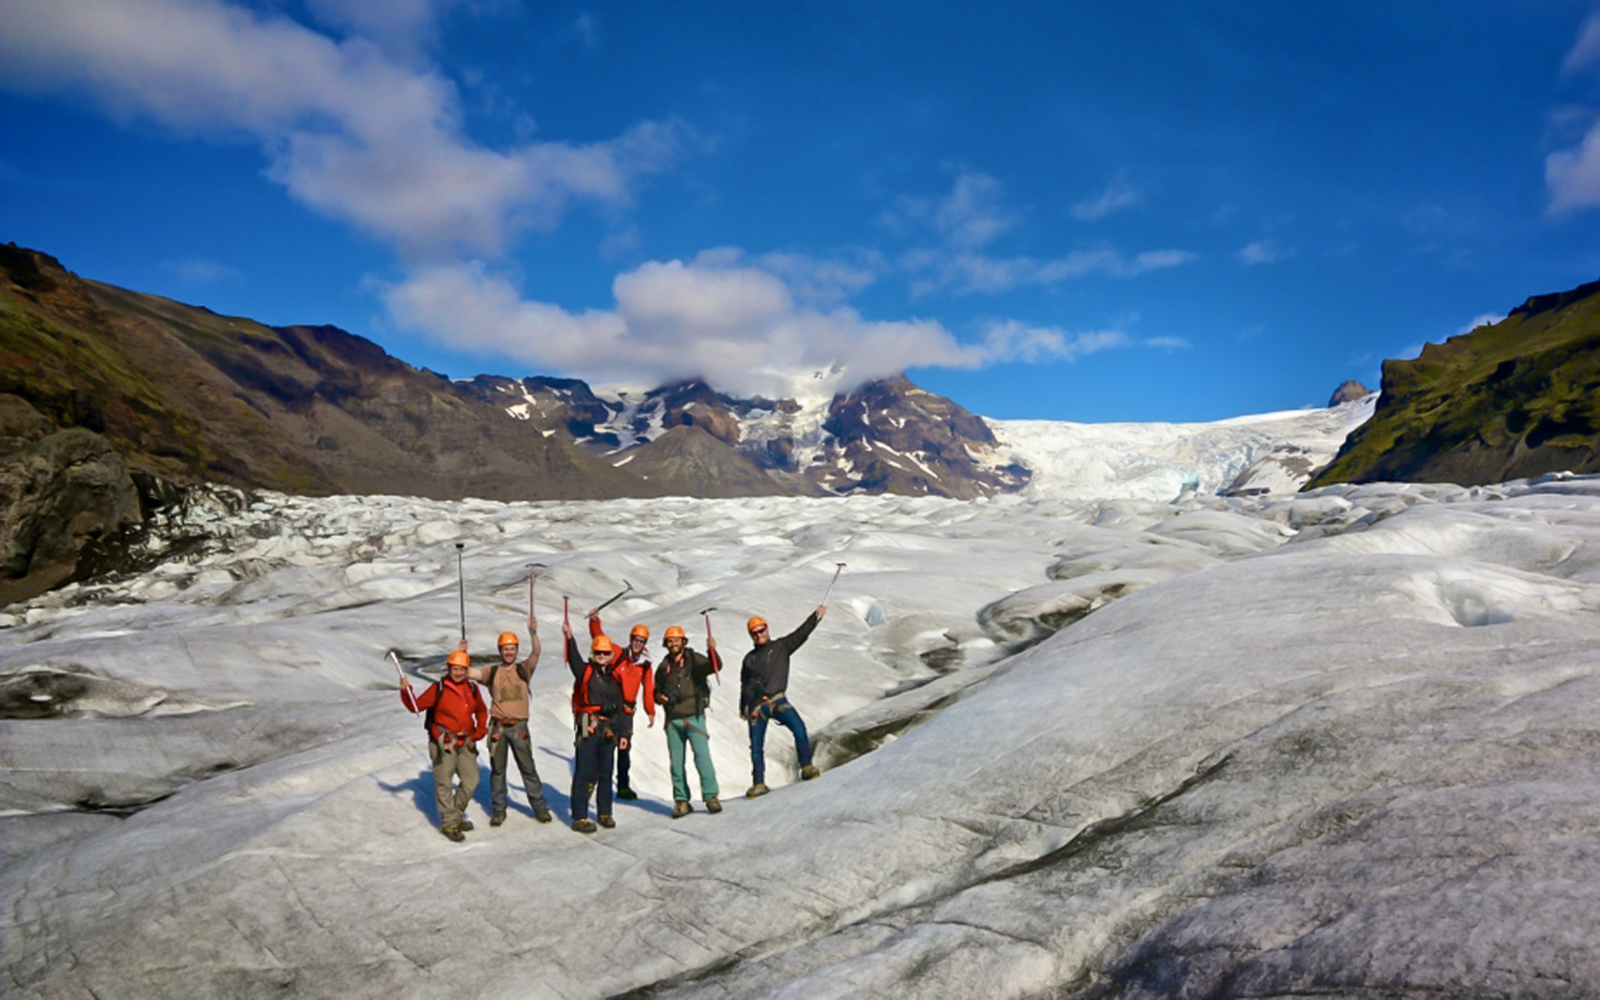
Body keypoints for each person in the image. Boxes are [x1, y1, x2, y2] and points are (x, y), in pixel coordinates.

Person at [466, 619, 551, 826]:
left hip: (519, 727)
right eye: (505, 649)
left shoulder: (524, 669)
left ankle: (539, 807)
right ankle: (498, 810)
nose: (509, 652)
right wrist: (463, 655)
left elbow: (536, 653)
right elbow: (468, 673)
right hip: (498, 728)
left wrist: (533, 634)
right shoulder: (492, 672)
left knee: (528, 769)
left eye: (512, 649)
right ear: (500, 650)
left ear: (516, 650)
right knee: (498, 771)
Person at [400, 649, 488, 842]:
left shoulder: (472, 689)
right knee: (444, 784)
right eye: (454, 668)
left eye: (462, 669)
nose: (458, 672)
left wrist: (480, 730)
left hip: (466, 741)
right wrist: (406, 691)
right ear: (448, 668)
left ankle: (454, 815)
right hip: (444, 742)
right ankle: (449, 824)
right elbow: (415, 706)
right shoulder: (438, 688)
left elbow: (481, 710)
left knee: (471, 781)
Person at [740, 606, 826, 798]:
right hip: (756, 707)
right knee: (756, 746)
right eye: (754, 633)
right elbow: (744, 684)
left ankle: (806, 766)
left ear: (766, 629)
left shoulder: (781, 647)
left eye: (760, 631)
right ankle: (759, 783)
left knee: (799, 728)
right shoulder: (749, 659)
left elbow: (800, 634)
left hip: (777, 700)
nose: (758, 635)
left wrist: (815, 618)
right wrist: (743, 707)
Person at [564, 619, 626, 833]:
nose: (601, 657)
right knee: (584, 771)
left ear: (610, 655)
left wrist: (622, 732)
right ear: (593, 654)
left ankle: (605, 812)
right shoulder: (585, 672)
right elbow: (573, 659)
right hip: (588, 727)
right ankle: (579, 816)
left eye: (605, 653)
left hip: (608, 729)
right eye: (598, 653)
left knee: (606, 772)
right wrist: (569, 637)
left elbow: (621, 707)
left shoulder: (614, 678)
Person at [653, 625, 722, 817]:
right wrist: (660, 697)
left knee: (702, 758)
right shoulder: (663, 667)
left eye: (676, 639)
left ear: (683, 641)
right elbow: (655, 692)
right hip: (673, 721)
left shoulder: (693, 659)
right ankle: (681, 801)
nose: (673, 643)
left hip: (694, 716)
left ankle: (710, 797)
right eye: (670, 640)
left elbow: (714, 666)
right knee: (676, 763)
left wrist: (712, 650)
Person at [586, 612, 655, 800]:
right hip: (609, 707)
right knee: (602, 743)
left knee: (624, 747)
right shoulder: (617, 654)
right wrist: (594, 620)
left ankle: (623, 786)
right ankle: (592, 781)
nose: (638, 644)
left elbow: (648, 688)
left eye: (641, 641)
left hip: (626, 710)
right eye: (635, 639)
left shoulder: (645, 665)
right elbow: (599, 639)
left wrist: (650, 711)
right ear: (631, 639)